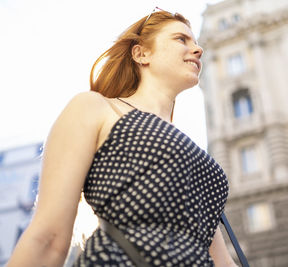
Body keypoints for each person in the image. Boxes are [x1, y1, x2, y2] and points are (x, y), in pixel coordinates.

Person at [6, 8, 237, 267]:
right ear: (141, 54)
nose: (198, 49)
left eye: (196, 42)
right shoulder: (95, 107)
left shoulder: (190, 151)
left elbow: (221, 260)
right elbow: (48, 237)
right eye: (181, 39)